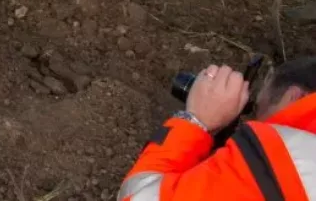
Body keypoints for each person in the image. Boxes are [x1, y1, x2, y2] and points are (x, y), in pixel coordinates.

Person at [119, 57, 316, 199]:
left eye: (258, 109)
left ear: (296, 97)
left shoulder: (285, 161)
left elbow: (138, 197)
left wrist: (196, 120)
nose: (255, 124)